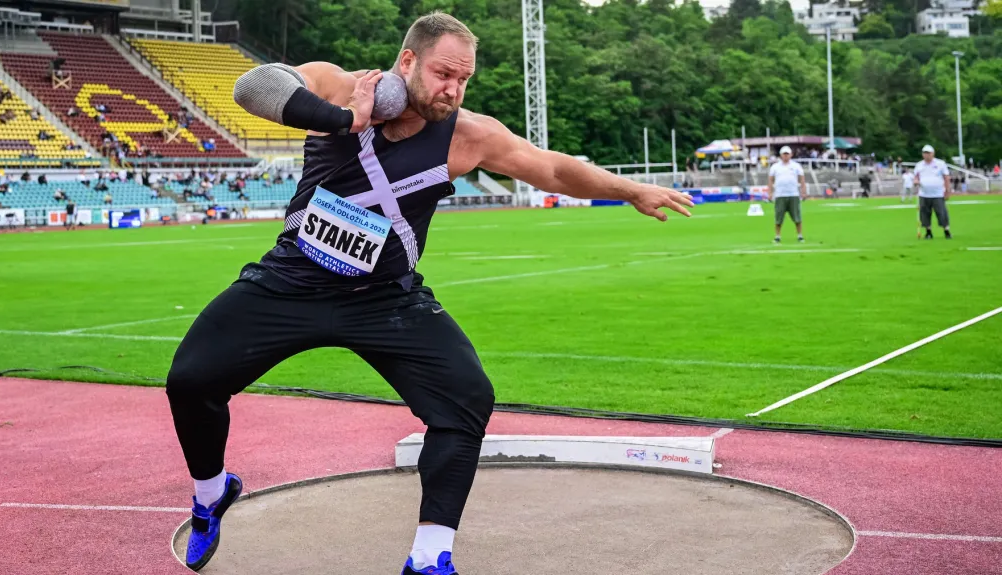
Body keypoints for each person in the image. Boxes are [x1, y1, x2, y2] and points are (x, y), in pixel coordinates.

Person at [166, 11, 694, 575]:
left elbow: (553, 171)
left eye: (464, 80)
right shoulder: (340, 85)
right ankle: (211, 494)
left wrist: (628, 189)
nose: (453, 90)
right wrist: (346, 118)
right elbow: (254, 85)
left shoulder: (468, 136)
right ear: (408, 60)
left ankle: (429, 555)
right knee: (191, 380)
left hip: (385, 300)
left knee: (468, 399)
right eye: (445, 74)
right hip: (291, 282)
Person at [767, 145, 806, 243]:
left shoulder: (796, 166)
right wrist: (770, 193)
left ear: (791, 155)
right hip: (780, 195)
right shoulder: (775, 167)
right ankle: (777, 236)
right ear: (781, 155)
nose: (785, 156)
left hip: (793, 194)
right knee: (778, 217)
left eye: (787, 154)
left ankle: (800, 235)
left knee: (797, 217)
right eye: (784, 154)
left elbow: (802, 180)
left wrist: (803, 191)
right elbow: (771, 181)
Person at [913, 144, 952, 239]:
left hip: (938, 193)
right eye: (925, 153)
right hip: (924, 194)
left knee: (941, 212)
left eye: (928, 153)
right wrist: (916, 182)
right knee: (925, 213)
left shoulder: (940, 164)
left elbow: (946, 177)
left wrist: (947, 191)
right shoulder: (919, 165)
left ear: (933, 153)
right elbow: (916, 177)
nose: (926, 155)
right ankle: (928, 231)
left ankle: (946, 230)